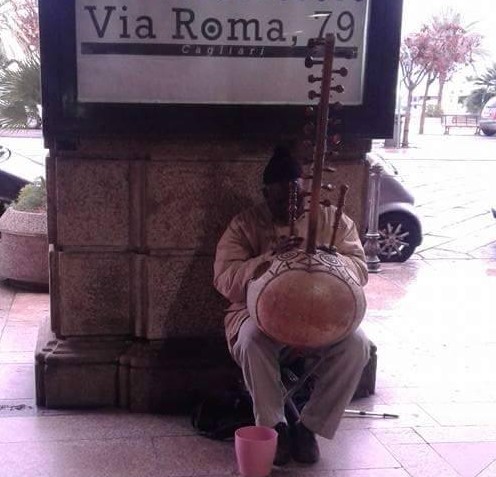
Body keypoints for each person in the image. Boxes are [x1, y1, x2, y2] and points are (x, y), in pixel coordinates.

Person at [213, 145, 370, 465]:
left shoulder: (332, 219)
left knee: (358, 345)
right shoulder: (245, 225)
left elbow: (361, 269)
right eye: (280, 198)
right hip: (256, 314)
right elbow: (225, 280)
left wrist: (333, 261)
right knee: (252, 340)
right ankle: (275, 428)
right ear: (264, 193)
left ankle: (309, 426)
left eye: (297, 196)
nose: (291, 204)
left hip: (321, 316)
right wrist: (271, 258)